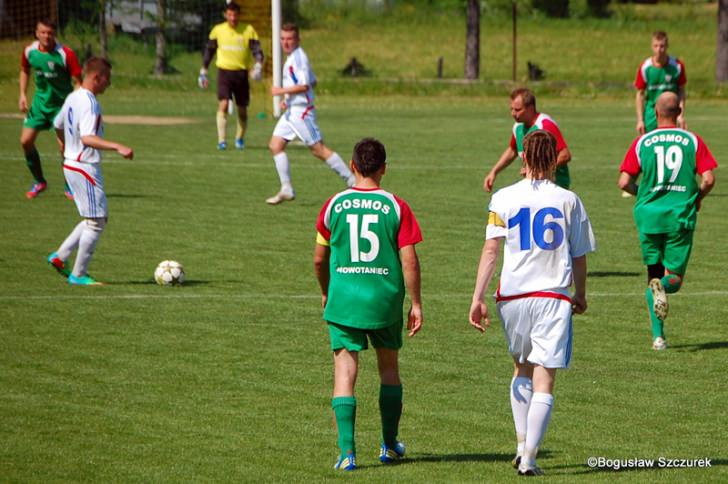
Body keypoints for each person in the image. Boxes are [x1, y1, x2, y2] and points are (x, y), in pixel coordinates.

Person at [469, 130, 595, 476]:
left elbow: (491, 249)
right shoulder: (569, 200)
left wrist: (478, 296)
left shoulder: (503, 198)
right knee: (545, 379)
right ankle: (529, 459)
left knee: (521, 368)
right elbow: (579, 255)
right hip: (552, 297)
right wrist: (580, 294)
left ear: (523, 158)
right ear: (554, 158)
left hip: (512, 298)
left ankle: (522, 444)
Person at [313, 138, 423, 471]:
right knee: (388, 369)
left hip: (344, 300)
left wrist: (325, 291)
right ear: (384, 168)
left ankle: (347, 454)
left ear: (352, 165)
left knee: (345, 372)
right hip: (384, 301)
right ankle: (389, 445)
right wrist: (415, 302)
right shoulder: (396, 206)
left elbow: (319, 259)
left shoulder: (334, 204)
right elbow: (410, 260)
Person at [618, 92, 716, 350]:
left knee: (652, 273)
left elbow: (624, 182)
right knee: (672, 279)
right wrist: (697, 198)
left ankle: (658, 338)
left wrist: (646, 196)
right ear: (679, 110)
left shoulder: (643, 141)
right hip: (678, 217)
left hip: (648, 217)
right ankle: (663, 287)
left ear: (656, 112)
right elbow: (708, 179)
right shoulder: (692, 140)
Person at [48, 57, 134, 285]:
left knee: (95, 218)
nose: (109, 84)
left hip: (71, 164)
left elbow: (57, 124)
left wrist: (65, 146)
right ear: (97, 77)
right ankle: (78, 274)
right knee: (97, 221)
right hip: (84, 166)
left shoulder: (73, 97)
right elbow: (87, 137)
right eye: (108, 79)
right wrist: (117, 146)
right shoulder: (89, 102)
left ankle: (60, 256)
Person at [266, 23, 354, 205]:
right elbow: (312, 82)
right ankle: (286, 188)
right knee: (275, 146)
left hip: (302, 112)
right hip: (291, 111)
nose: (286, 42)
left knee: (319, 150)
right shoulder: (293, 58)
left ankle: (352, 182)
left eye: (289, 38)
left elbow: (305, 85)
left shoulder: (298, 58)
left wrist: (281, 91)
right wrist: (288, 97)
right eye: (283, 39)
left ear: (298, 39)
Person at [19, 18, 82, 199]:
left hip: (61, 107)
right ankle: (39, 181)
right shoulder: (29, 51)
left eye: (50, 33)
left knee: (65, 148)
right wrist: (23, 94)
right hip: (39, 105)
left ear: (55, 34)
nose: (46, 36)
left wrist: (74, 105)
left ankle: (69, 185)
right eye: (43, 32)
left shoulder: (65, 54)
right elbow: (24, 69)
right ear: (37, 33)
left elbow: (78, 82)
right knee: (25, 142)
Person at [198, 2, 263, 150]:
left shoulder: (248, 30)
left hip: (241, 74)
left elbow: (257, 50)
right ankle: (222, 141)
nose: (233, 18)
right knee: (224, 104)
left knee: (242, 109)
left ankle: (239, 138)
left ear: (239, 15)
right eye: (230, 15)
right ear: (225, 15)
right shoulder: (218, 30)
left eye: (235, 15)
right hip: (224, 73)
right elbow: (209, 51)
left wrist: (258, 65)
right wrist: (203, 71)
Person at [483, 88, 572, 192]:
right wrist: (494, 172)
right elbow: (513, 150)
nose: (513, 113)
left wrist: (539, 170)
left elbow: (565, 155)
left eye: (517, 110)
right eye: (511, 109)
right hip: (534, 184)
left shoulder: (545, 125)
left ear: (530, 108)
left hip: (555, 184)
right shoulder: (518, 127)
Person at [634, 31, 686, 135]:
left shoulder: (677, 66)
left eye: (662, 46)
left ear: (667, 46)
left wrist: (681, 115)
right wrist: (640, 120)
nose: (659, 49)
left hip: (671, 113)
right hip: (651, 115)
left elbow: (681, 91)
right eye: (656, 46)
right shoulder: (645, 67)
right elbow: (640, 94)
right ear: (652, 47)